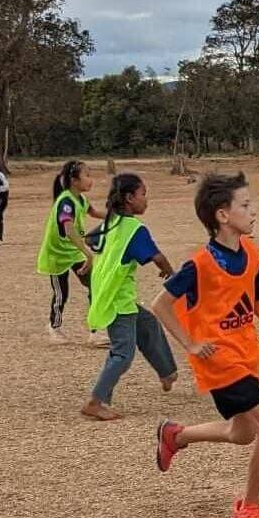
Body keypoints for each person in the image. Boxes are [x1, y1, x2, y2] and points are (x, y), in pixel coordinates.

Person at [152, 172, 259, 518]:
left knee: (242, 433)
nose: (254, 212)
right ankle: (248, 508)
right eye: (246, 206)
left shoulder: (250, 252)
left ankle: (177, 436)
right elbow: (160, 305)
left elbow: (257, 299)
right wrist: (190, 344)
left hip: (246, 354)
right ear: (222, 215)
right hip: (219, 360)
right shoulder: (199, 264)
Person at [83, 173, 179, 421]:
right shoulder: (134, 229)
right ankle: (96, 401)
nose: (146, 200)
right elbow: (157, 257)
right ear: (129, 198)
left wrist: (93, 259)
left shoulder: (110, 223)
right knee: (122, 353)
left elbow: (90, 240)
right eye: (143, 194)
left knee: (148, 324)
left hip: (110, 294)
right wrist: (171, 274)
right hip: (117, 301)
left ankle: (167, 373)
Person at [36, 160, 109, 346]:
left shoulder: (81, 199)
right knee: (62, 293)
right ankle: (54, 327)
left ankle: (95, 331)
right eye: (87, 175)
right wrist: (88, 253)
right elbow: (68, 229)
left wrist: (117, 215)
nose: (91, 180)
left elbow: (94, 213)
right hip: (57, 255)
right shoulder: (66, 201)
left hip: (73, 252)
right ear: (74, 180)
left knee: (95, 284)